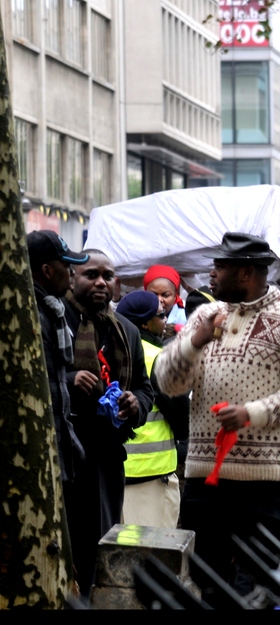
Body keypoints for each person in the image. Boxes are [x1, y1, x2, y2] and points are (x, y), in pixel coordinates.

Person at [154, 232, 280, 586]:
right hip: (206, 483)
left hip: (269, 487)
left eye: (220, 267)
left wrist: (252, 413)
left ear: (246, 272)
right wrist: (194, 342)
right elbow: (167, 382)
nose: (210, 275)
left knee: (259, 589)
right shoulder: (205, 315)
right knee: (208, 587)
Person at [63, 250, 154, 595]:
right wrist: (70, 379)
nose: (101, 281)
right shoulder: (59, 319)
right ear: (73, 278)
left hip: (107, 457)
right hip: (68, 454)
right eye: (92, 275)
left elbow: (145, 388)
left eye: (108, 275)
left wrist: (136, 404)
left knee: (101, 546)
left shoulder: (126, 331)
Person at [116, 290, 189, 529]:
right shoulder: (159, 358)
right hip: (151, 478)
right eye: (161, 315)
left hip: (113, 475)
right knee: (152, 559)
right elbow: (184, 420)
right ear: (145, 323)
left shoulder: (109, 350)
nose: (166, 319)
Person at [26, 231, 89, 490]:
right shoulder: (32, 317)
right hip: (36, 462)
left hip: (57, 460)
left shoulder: (51, 312)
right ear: (47, 271)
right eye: (67, 266)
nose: (73, 274)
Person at [144, 264, 186, 338]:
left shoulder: (186, 318)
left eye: (166, 295)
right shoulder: (138, 315)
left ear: (175, 295)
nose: (159, 300)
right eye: (153, 294)